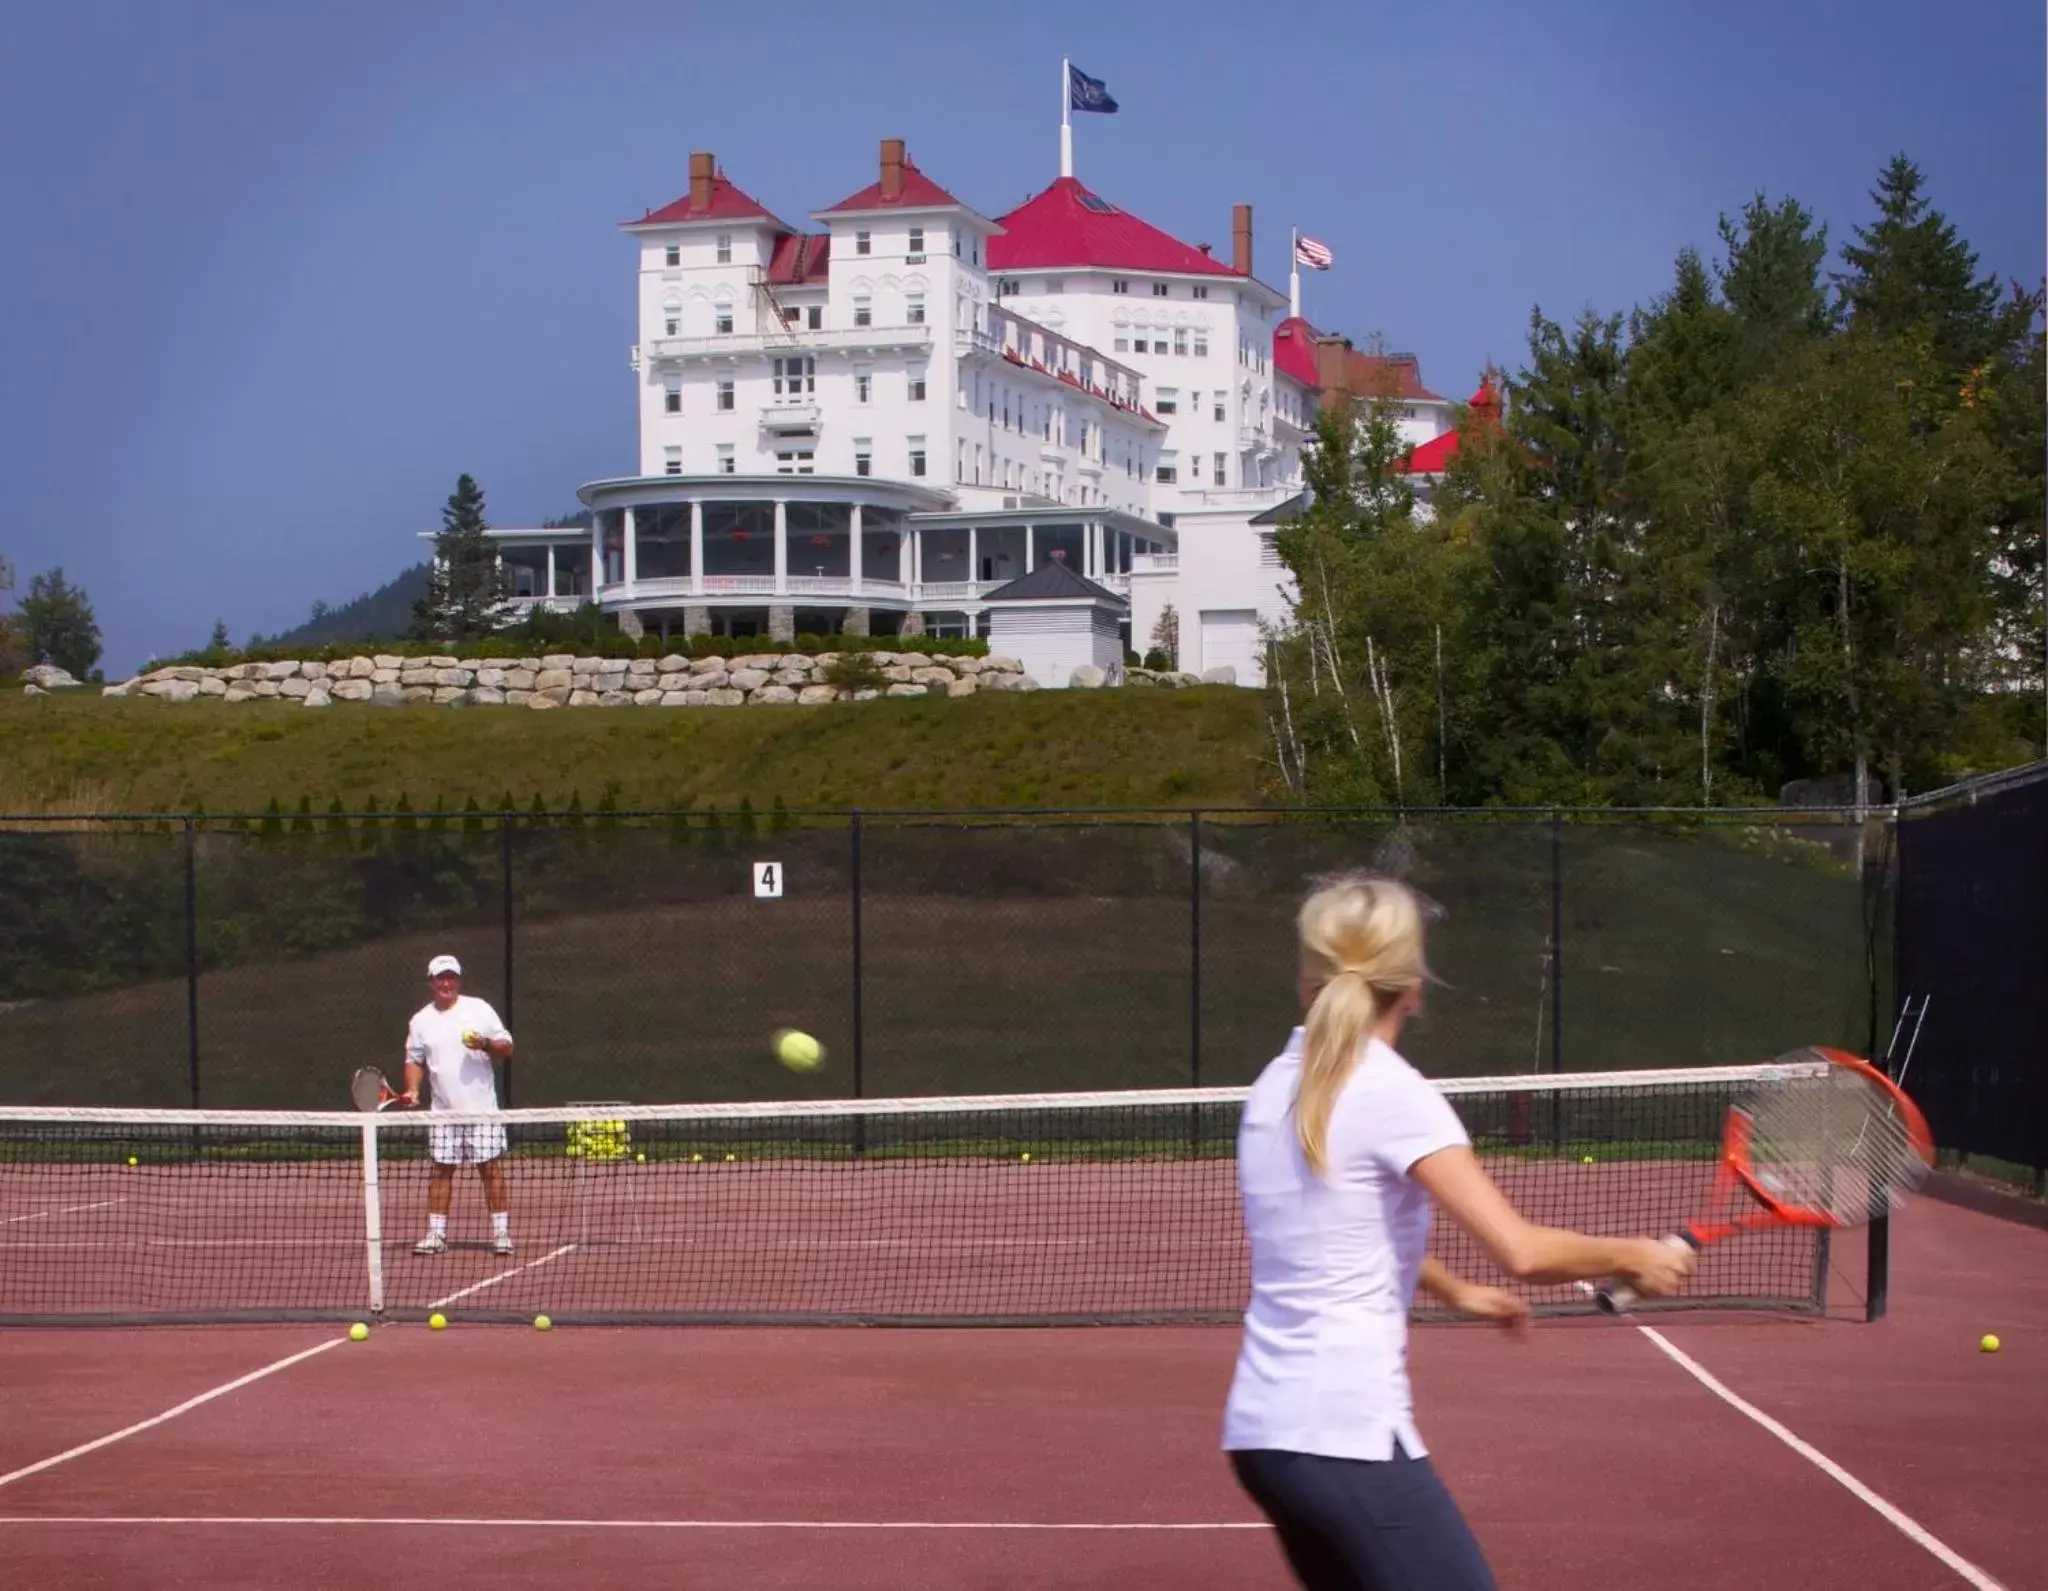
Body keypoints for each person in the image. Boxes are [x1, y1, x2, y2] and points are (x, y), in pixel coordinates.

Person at [1220, 873, 1695, 1591]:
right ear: (1412, 985)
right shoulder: (1392, 1091)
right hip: (1344, 1435)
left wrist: (1454, 1289)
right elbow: (1523, 1250)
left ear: (1305, 977)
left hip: (1264, 1435)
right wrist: (1634, 1253)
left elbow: (1341, 1229)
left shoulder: (1273, 1084)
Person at [404, 953, 517, 1257]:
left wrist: (486, 1045)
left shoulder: (479, 1009)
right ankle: (436, 1235)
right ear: (431, 982)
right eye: (440, 978)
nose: (446, 983)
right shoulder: (421, 1020)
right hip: (444, 1113)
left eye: (451, 977)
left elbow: (507, 1047)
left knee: (490, 1170)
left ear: (458, 980)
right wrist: (413, 1089)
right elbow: (414, 1060)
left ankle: (502, 1235)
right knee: (441, 1170)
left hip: (482, 1110)